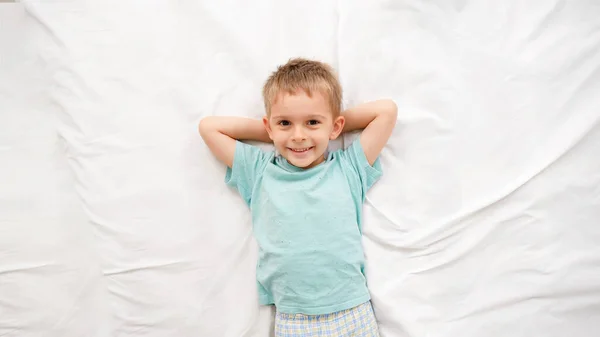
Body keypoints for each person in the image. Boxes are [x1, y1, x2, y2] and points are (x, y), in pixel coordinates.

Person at [199, 57, 397, 336]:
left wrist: (326, 128)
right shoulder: (260, 172)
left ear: (336, 127)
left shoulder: (348, 168)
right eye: (285, 123)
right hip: (294, 318)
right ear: (269, 127)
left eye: (312, 122)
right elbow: (209, 128)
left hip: (352, 310)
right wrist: (277, 133)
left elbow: (386, 111)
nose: (299, 136)